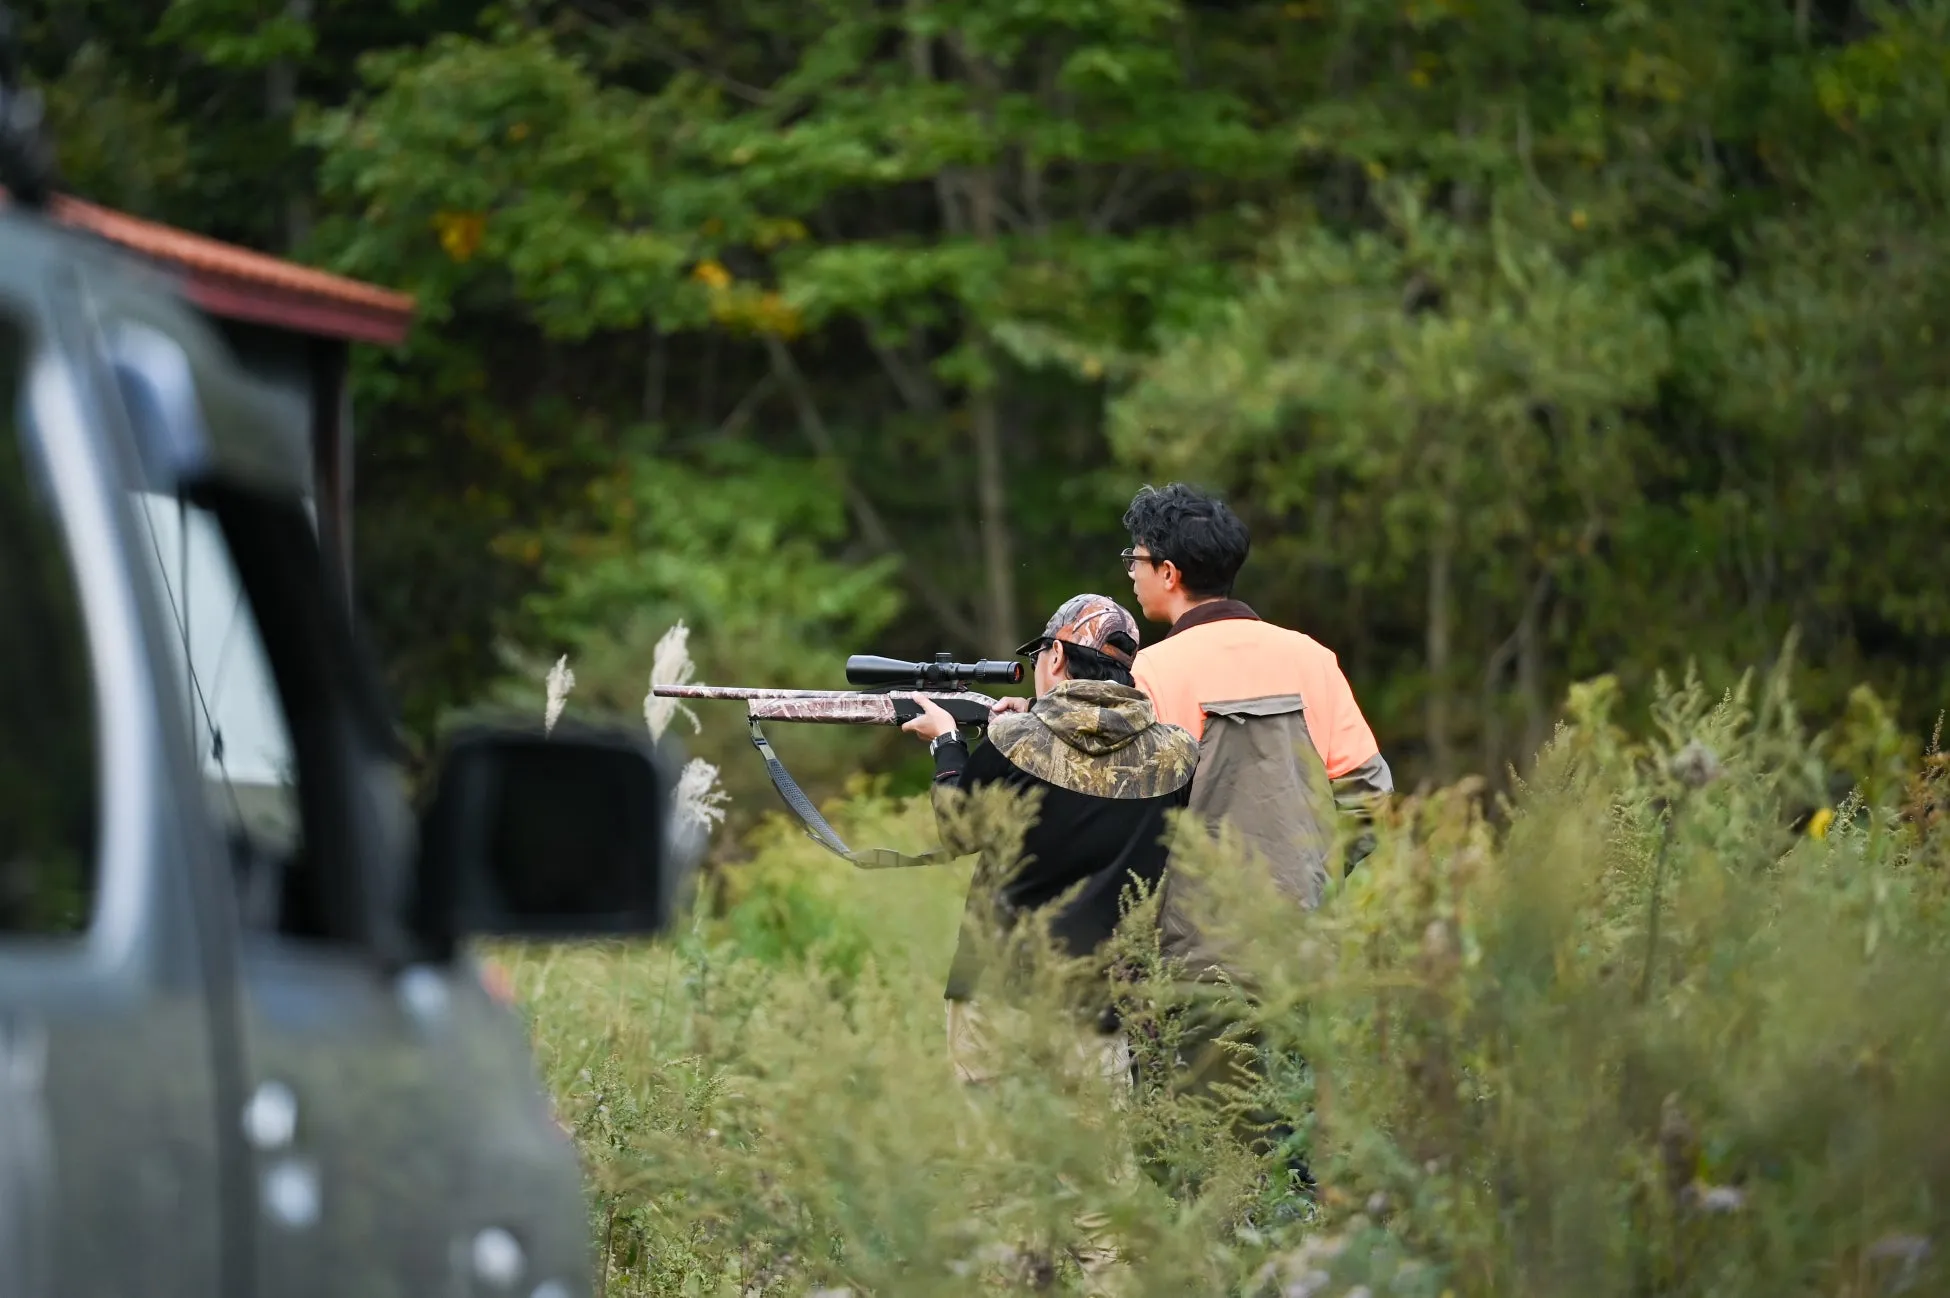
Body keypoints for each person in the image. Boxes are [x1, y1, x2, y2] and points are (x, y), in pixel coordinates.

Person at [1119, 482, 1394, 1178]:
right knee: (1295, 1163)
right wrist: (1308, 882)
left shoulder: (1153, 671)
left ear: (1170, 574)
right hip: (1299, 961)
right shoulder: (1310, 657)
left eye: (1136, 559)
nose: (1130, 572)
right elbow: (1368, 795)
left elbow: (1128, 820)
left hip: (1194, 971)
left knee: (1204, 1170)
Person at [898, 593, 1199, 1086]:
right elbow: (1093, 762)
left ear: (1056, 656)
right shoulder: (1176, 754)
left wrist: (947, 744)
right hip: (1097, 1003)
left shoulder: (1015, 741)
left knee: (993, 1156)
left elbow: (957, 831)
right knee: (1092, 1162)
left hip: (995, 990)